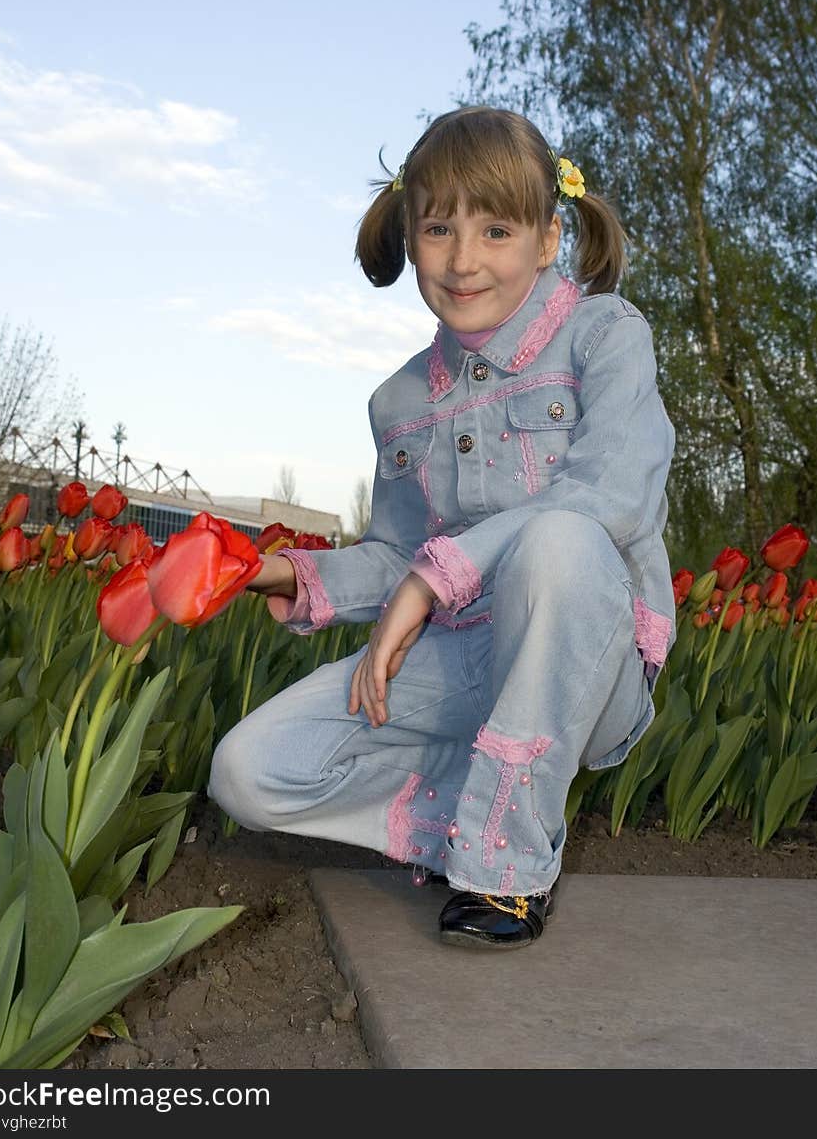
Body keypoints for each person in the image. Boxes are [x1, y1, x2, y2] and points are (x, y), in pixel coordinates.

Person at [208, 105, 676, 950]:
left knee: (558, 543)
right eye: (438, 229)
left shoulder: (607, 335)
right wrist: (284, 575)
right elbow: (394, 553)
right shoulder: (400, 402)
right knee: (250, 772)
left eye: (496, 229)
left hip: (588, 656)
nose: (463, 262)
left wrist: (438, 574)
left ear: (548, 237)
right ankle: (474, 815)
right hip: (461, 656)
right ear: (412, 235)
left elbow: (610, 495)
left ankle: (507, 872)